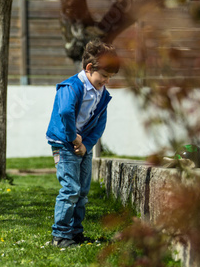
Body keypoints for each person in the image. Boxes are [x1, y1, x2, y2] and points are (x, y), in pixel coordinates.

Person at [46, 39, 120, 247]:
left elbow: (100, 124)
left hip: (83, 147)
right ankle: (60, 235)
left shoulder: (101, 94)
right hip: (64, 143)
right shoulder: (72, 87)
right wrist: (73, 138)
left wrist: (86, 144)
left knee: (82, 192)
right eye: (104, 76)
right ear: (89, 68)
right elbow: (65, 112)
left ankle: (75, 233)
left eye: (109, 77)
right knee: (70, 189)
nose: (106, 81)